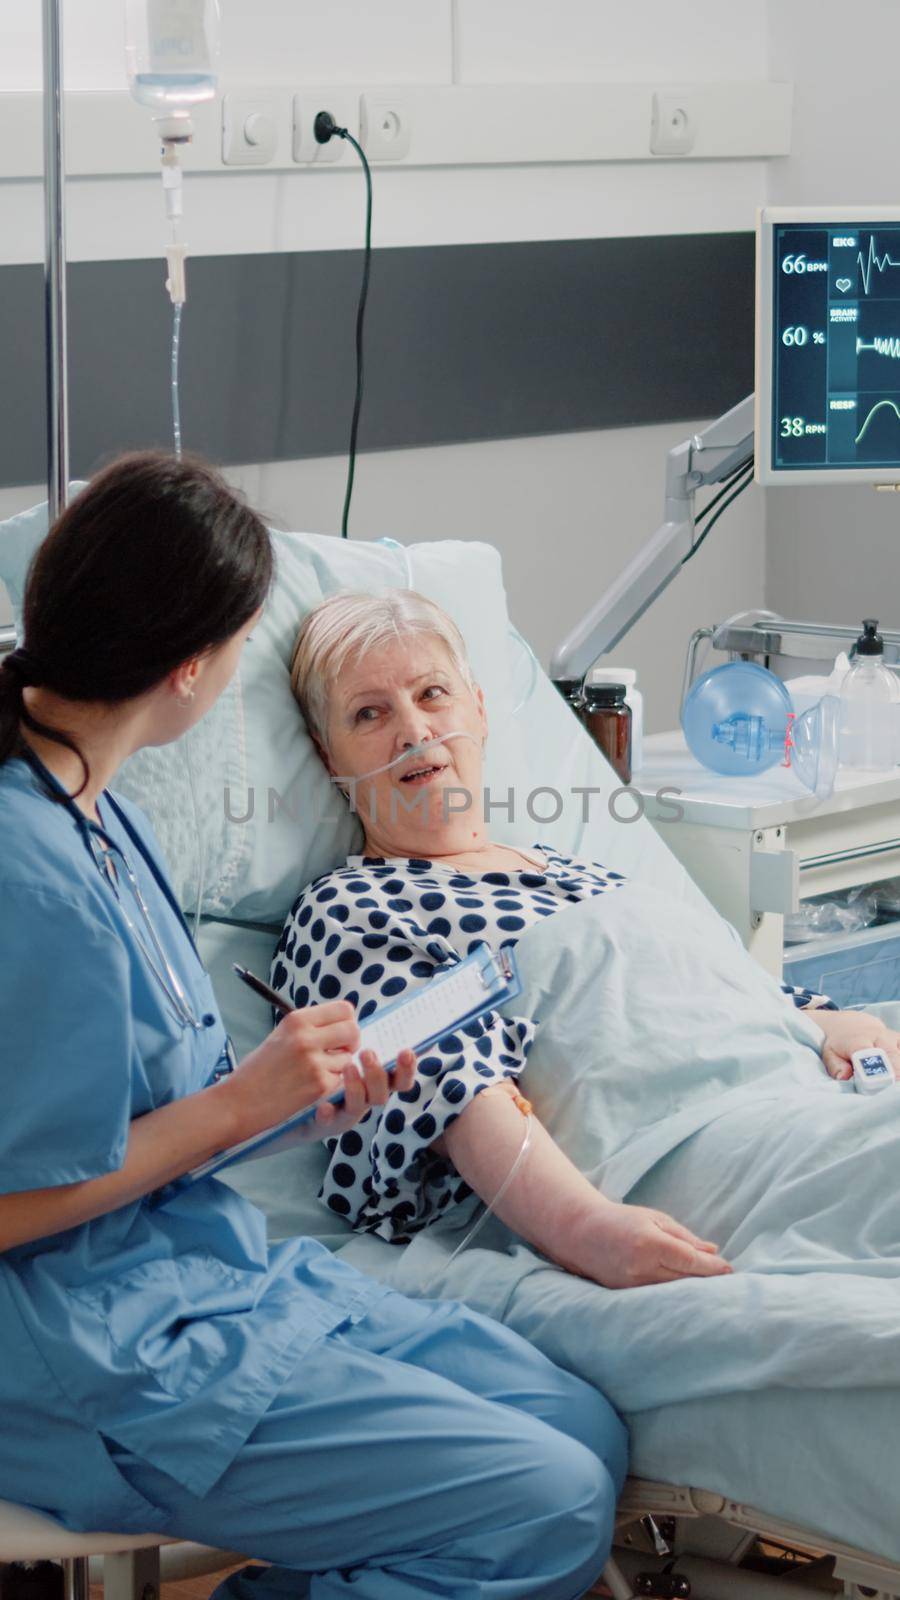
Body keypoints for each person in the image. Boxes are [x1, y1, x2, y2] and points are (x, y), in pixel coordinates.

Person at [0, 455, 627, 1600]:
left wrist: (286, 1107)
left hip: (206, 1266)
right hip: (90, 1345)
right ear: (192, 667)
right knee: (552, 1505)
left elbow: (148, 1113)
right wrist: (242, 1103)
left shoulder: (99, 811)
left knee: (576, 1418)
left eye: (437, 696)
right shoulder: (28, 878)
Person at [278, 588, 900, 1287]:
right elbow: (440, 1078)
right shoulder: (353, 904)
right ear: (328, 756)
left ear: (479, 708)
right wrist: (588, 1231)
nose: (416, 732)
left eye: (432, 694)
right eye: (370, 713)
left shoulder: (580, 869)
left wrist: (832, 1020)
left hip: (803, 1092)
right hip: (681, 1150)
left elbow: (714, 988)